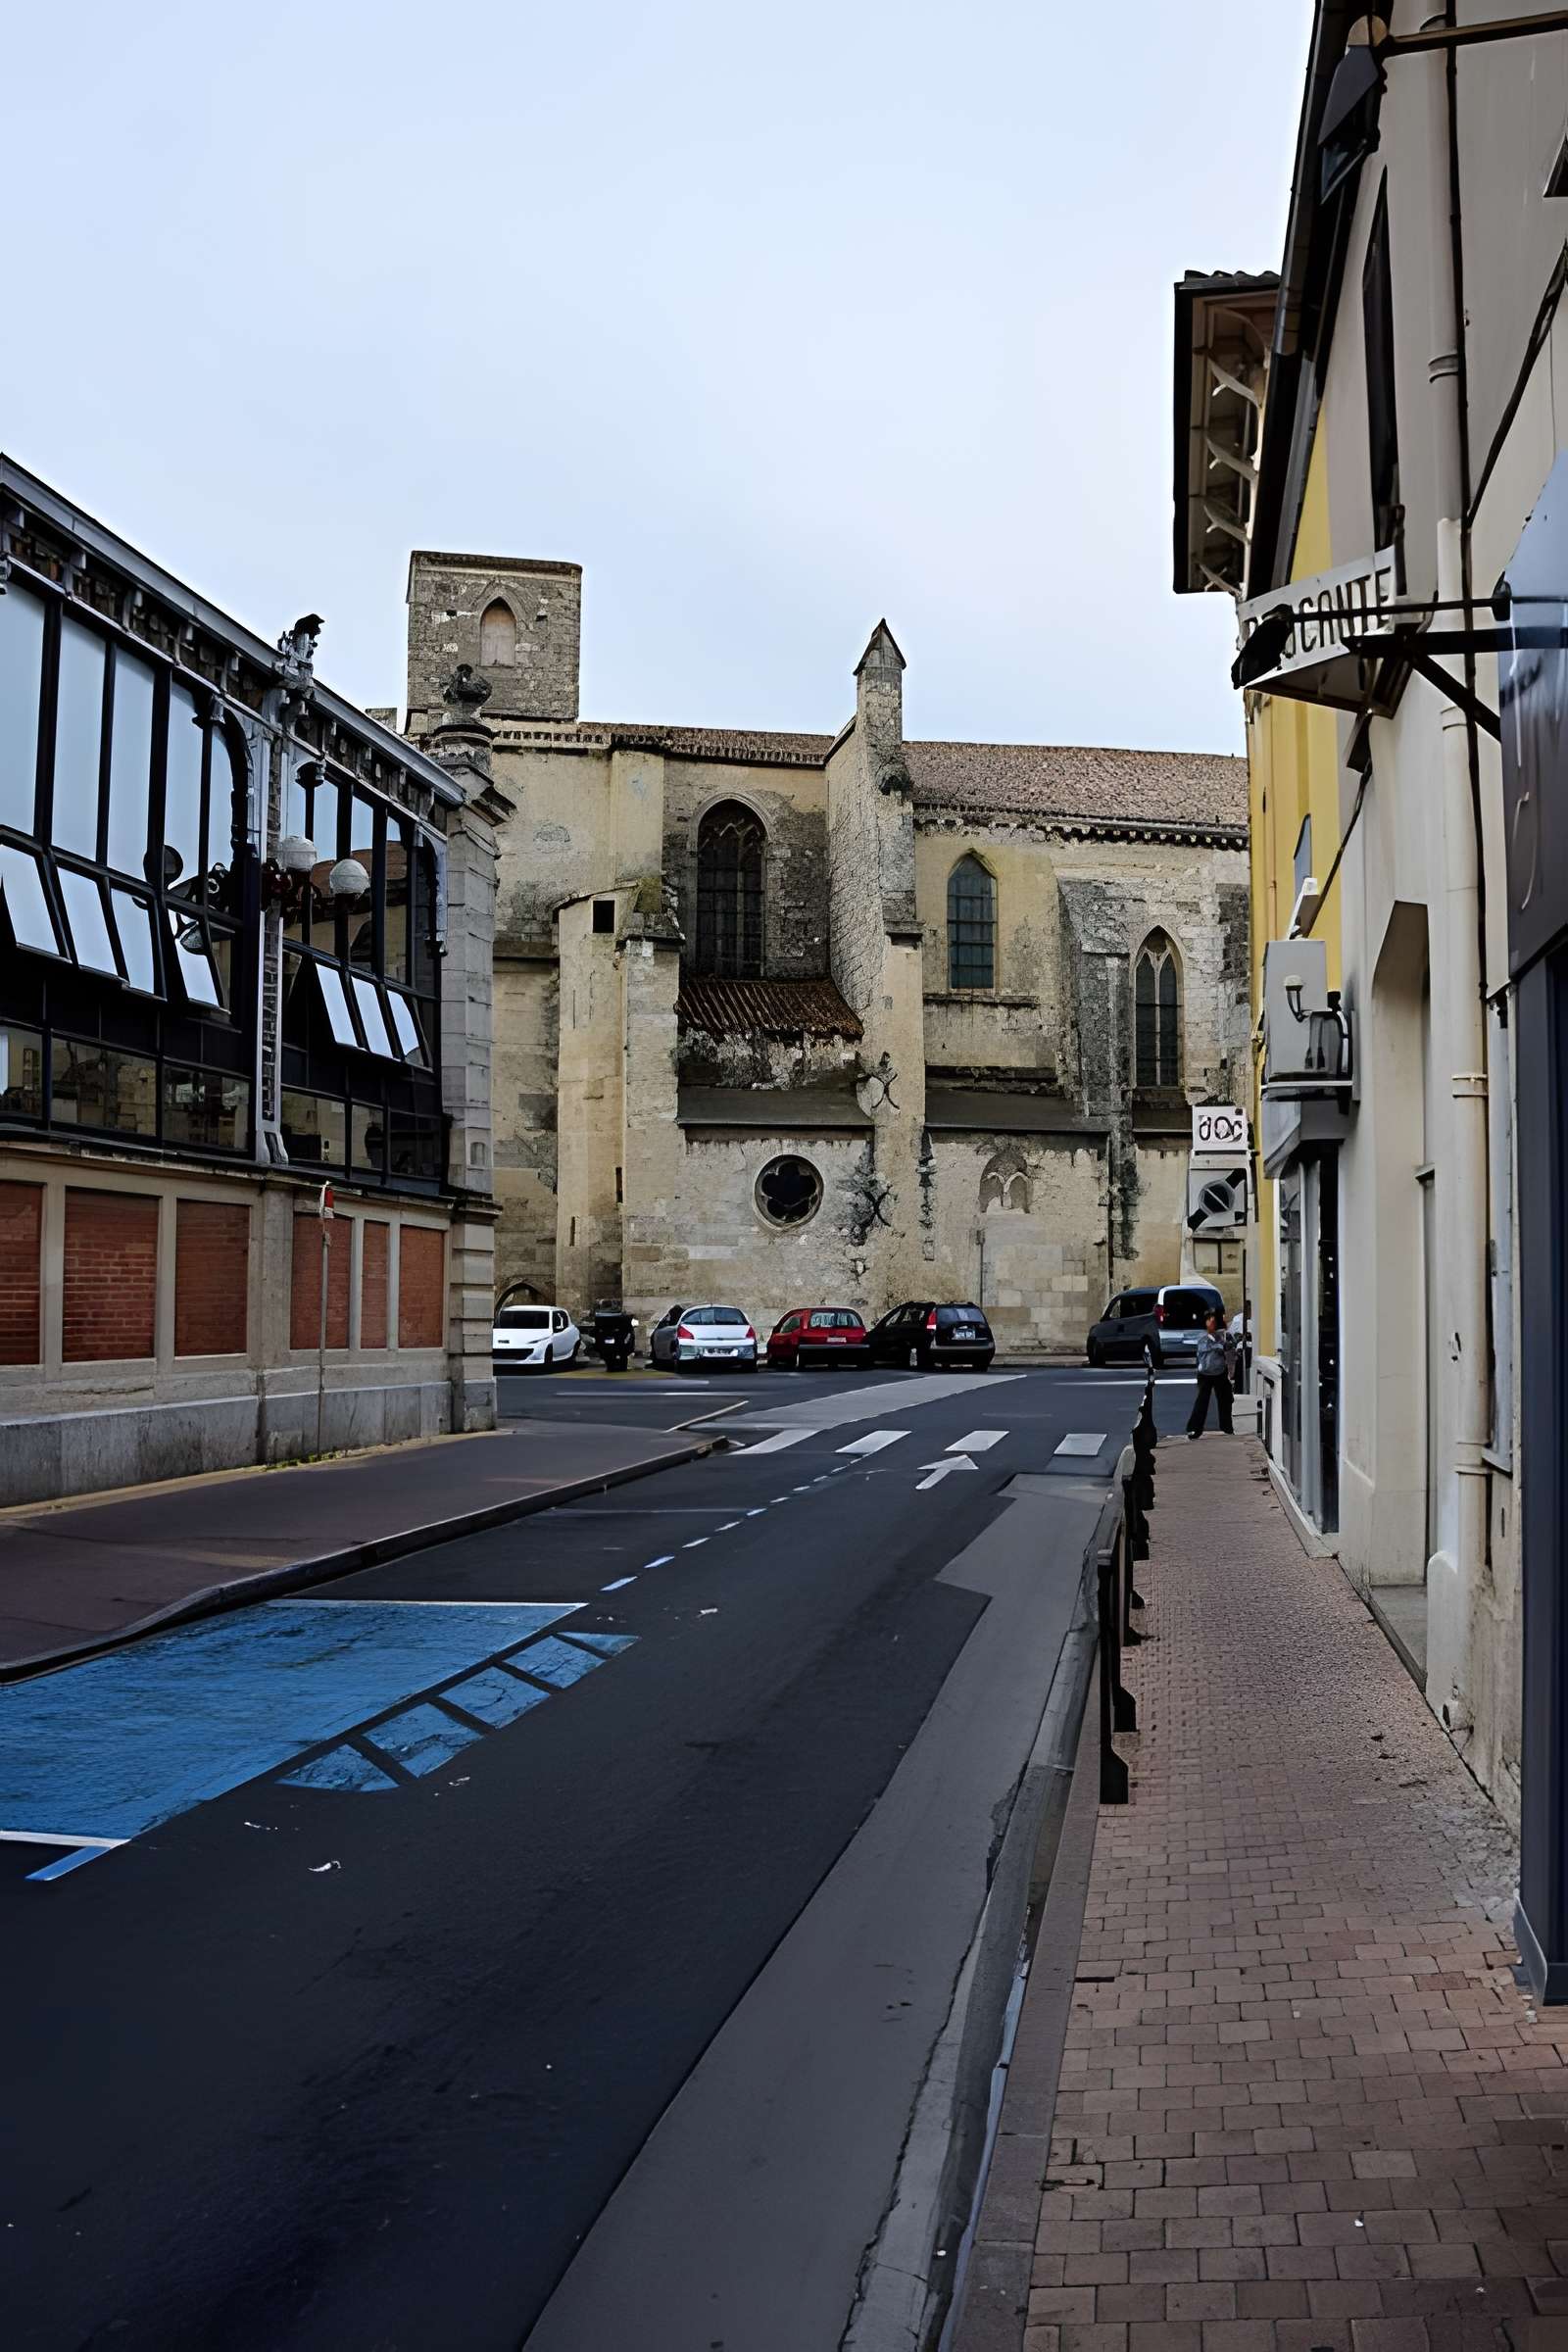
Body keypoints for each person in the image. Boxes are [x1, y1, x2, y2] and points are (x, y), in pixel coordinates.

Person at [1187, 1306, 1234, 1439]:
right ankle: (1194, 1429)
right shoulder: (1201, 1336)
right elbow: (1207, 1348)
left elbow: (1229, 1346)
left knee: (1225, 1400)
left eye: (1214, 1321)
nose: (1212, 1323)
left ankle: (1227, 1427)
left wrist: (1227, 1340)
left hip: (1220, 1371)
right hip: (1205, 1373)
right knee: (1202, 1401)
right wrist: (1221, 1345)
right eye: (1209, 1320)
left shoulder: (1221, 1335)